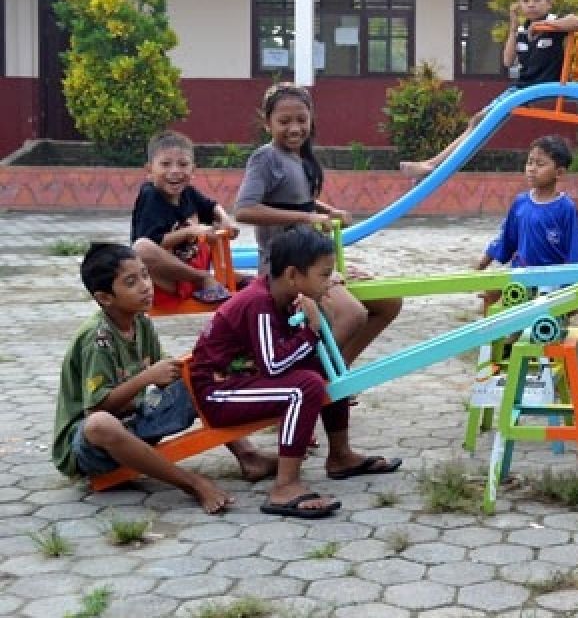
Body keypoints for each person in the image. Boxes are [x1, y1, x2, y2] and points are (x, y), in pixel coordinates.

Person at [190, 227, 401, 519]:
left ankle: (341, 456)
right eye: (324, 275)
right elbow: (275, 364)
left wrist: (318, 323)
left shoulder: (284, 297)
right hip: (219, 393)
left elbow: (287, 355)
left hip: (245, 379)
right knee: (304, 386)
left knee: (327, 371)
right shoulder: (259, 303)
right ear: (293, 275)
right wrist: (312, 331)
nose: (331, 282)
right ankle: (285, 487)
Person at [51, 244, 274, 514]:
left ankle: (247, 455)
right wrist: (147, 377)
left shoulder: (140, 322)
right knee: (100, 424)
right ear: (105, 297)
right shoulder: (97, 339)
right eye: (131, 282)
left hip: (135, 425)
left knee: (195, 375)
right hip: (92, 450)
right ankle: (191, 484)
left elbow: (165, 371)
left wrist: (194, 368)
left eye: (145, 275)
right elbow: (96, 410)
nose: (146, 286)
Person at [234, 83, 402, 367]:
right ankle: (310, 376)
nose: (295, 128)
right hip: (289, 270)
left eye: (302, 120)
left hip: (315, 264)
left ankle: (337, 371)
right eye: (284, 122)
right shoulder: (265, 158)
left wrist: (328, 210)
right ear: (267, 123)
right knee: (353, 315)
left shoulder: (301, 158)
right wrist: (307, 218)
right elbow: (244, 209)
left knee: (389, 302)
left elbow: (300, 204)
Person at [398, 0, 578, 178]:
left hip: (540, 88)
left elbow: (577, 22)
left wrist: (548, 25)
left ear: (549, 3)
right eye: (525, 0)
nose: (531, 4)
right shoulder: (522, 31)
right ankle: (434, 164)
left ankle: (432, 164)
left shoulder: (555, 25)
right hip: (521, 90)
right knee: (477, 121)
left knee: (478, 121)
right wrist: (513, 28)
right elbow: (507, 61)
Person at [131, 130, 239, 307]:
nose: (175, 171)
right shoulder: (150, 196)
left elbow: (212, 206)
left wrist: (226, 220)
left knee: (212, 229)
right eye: (165, 164)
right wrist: (190, 231)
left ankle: (229, 277)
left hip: (191, 269)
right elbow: (154, 243)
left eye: (183, 164)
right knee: (141, 248)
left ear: (193, 170)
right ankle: (203, 278)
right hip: (167, 279)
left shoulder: (188, 192)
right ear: (149, 171)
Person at [477, 134, 578, 272]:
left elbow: (574, 252)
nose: (532, 169)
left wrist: (568, 285)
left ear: (559, 173)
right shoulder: (520, 202)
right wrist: (480, 266)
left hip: (553, 279)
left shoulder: (566, 208)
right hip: (520, 276)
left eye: (540, 164)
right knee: (489, 291)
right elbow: (505, 240)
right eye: (529, 162)